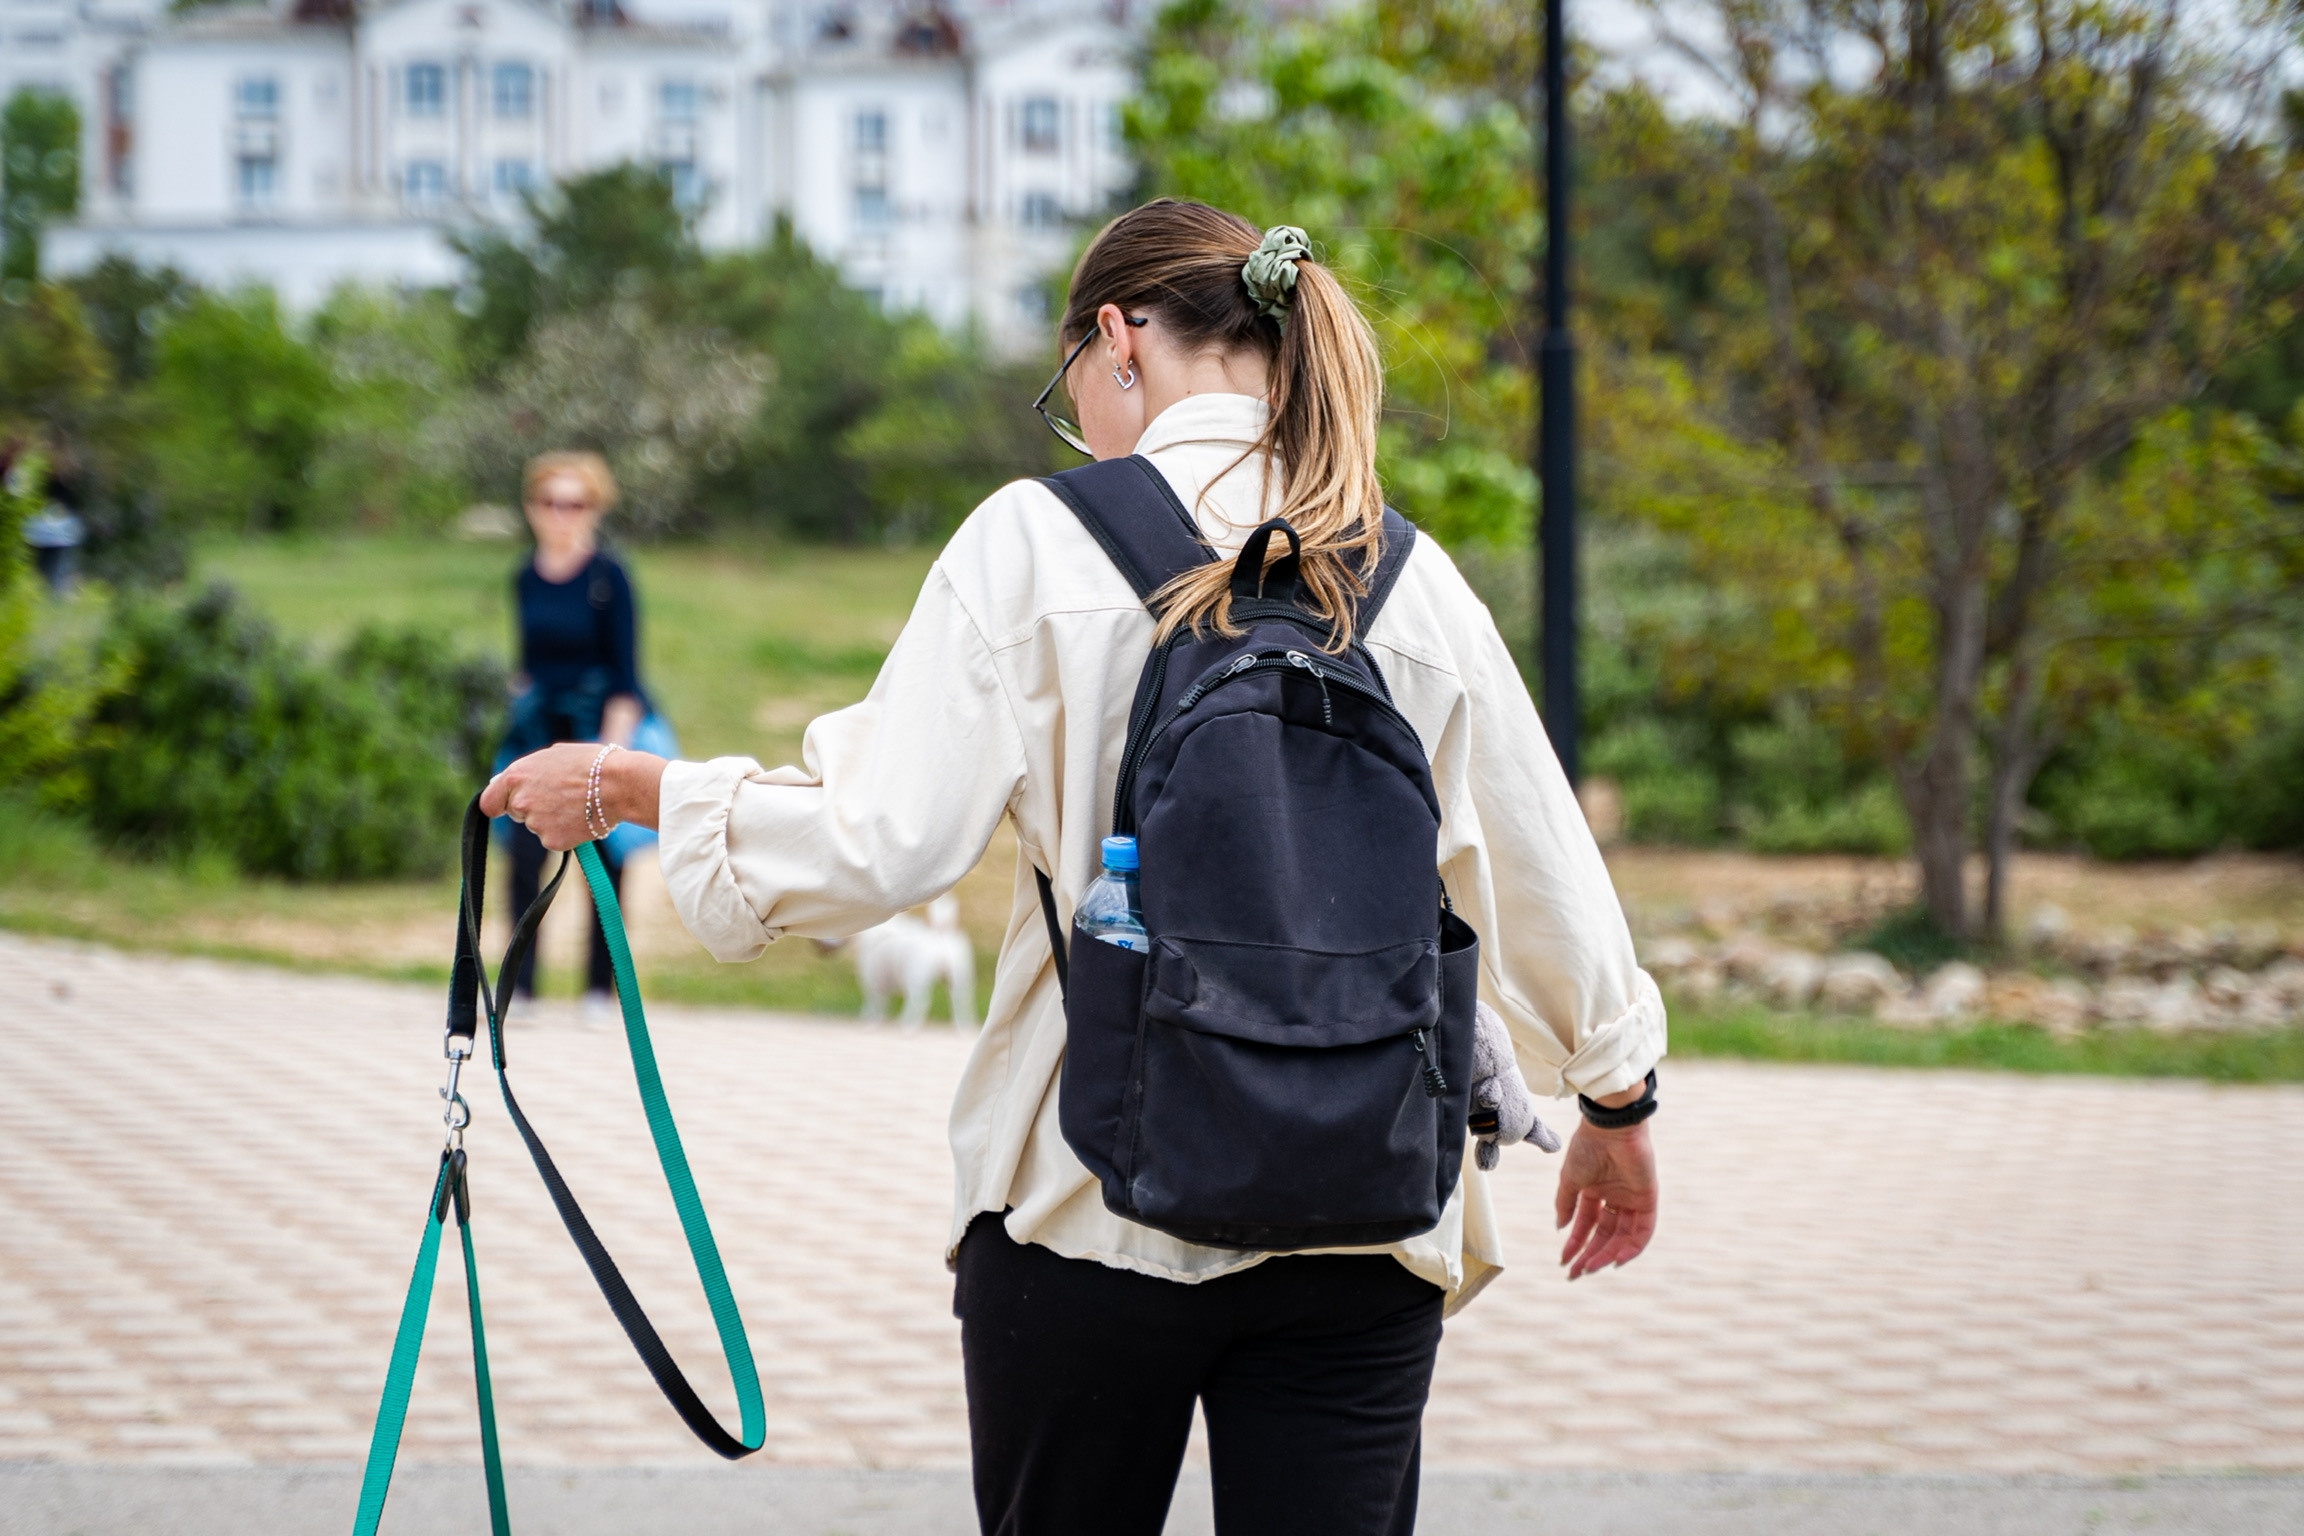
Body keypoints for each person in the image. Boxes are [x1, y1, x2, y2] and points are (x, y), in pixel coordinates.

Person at [484, 199, 1665, 1535]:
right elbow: (1537, 858)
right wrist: (1616, 1107)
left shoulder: (1033, 545)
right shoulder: (1403, 573)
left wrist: (644, 788)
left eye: (1071, 396)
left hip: (1086, 1194)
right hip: (1364, 1205)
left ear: (1118, 339)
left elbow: (880, 842)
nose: (1083, 435)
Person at [501, 450, 648, 1011]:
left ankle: (598, 988)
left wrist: (609, 757)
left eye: (574, 503)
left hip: (599, 729)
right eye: (550, 502)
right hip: (538, 726)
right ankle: (525, 985)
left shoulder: (610, 577)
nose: (561, 514)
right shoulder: (525, 575)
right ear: (532, 508)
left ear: (593, 509)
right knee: (521, 853)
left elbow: (626, 674)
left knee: (605, 862)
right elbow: (527, 658)